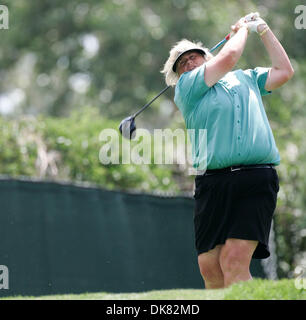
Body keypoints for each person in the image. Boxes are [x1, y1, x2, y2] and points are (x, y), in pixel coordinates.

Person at [161, 13, 294, 289]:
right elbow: (230, 56)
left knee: (234, 261)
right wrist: (242, 29)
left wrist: (263, 30)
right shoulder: (187, 89)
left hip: (256, 178)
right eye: (181, 64)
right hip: (213, 183)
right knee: (210, 269)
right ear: (178, 75)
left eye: (193, 56)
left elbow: (284, 71)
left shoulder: (247, 78)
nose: (188, 63)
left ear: (206, 56)